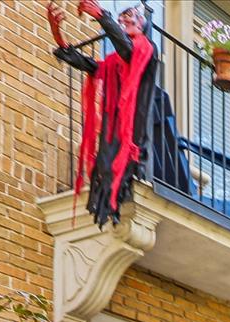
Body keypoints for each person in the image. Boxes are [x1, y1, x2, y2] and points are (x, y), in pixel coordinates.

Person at [50, 0, 190, 226]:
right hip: (113, 134)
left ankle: (116, 201)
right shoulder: (113, 63)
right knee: (106, 166)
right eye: (121, 16)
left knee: (119, 169)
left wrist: (102, 16)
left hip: (133, 138)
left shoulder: (148, 51)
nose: (123, 19)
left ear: (143, 22)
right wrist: (60, 40)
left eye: (130, 15)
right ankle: (109, 206)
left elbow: (127, 50)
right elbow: (92, 66)